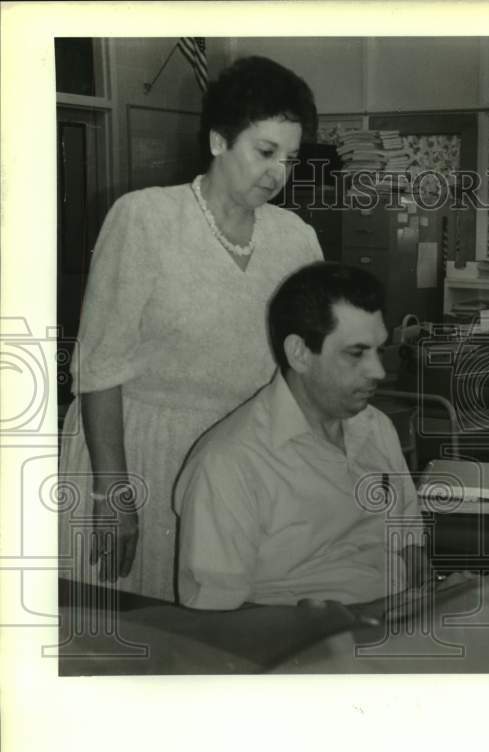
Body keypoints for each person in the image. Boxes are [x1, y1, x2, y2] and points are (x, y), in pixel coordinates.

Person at [58, 56, 323, 601]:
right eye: (266, 152)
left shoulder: (297, 238)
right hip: (144, 459)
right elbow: (99, 367)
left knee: (232, 640)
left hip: (243, 465)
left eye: (291, 160)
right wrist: (114, 494)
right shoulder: (145, 220)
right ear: (220, 141)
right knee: (141, 639)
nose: (278, 174)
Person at [174, 263, 427, 611]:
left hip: (398, 628)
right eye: (356, 353)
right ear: (300, 353)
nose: (379, 372)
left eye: (379, 350)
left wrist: (429, 606)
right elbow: (213, 619)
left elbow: (409, 540)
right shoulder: (230, 463)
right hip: (304, 650)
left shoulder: (376, 427)